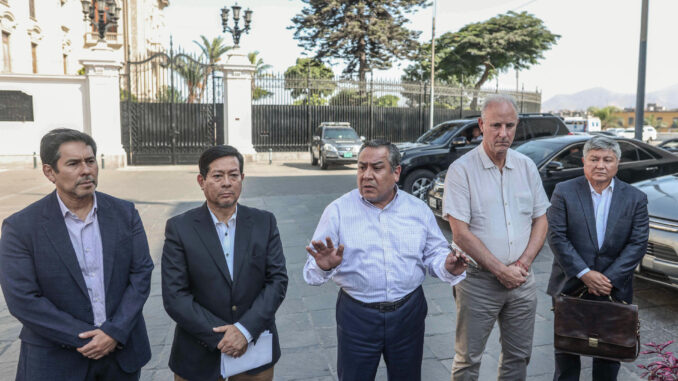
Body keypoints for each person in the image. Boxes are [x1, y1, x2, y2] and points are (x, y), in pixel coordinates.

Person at [304, 139, 468, 381]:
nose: (366, 175)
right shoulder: (338, 211)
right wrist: (323, 265)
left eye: (377, 168)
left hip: (408, 314)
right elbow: (310, 273)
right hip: (357, 316)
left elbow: (434, 253)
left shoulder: (417, 210)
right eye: (361, 167)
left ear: (396, 172)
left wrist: (447, 264)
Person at [0, 128, 154, 381]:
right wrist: (87, 338)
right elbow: (22, 299)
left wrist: (114, 332)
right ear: (50, 172)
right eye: (73, 163)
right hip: (55, 360)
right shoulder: (21, 227)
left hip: (120, 355)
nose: (86, 170)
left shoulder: (124, 213)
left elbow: (141, 274)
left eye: (90, 161)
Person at [444, 94, 550, 380]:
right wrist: (501, 270)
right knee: (468, 360)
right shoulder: (461, 170)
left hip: (521, 281)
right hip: (478, 283)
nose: (503, 133)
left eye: (510, 125)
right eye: (495, 126)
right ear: (481, 125)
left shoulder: (526, 167)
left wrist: (523, 264)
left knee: (518, 357)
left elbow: (541, 219)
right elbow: (460, 233)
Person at [162, 145, 288, 381]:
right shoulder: (180, 228)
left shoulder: (264, 222)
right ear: (202, 180)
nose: (227, 182)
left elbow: (277, 281)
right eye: (218, 176)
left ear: (242, 178)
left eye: (234, 175)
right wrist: (223, 336)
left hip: (254, 349)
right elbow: (175, 295)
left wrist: (244, 330)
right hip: (198, 350)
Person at [546, 136, 649, 381]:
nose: (600, 165)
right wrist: (585, 273)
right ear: (584, 161)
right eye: (594, 159)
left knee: (607, 361)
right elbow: (556, 237)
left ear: (617, 163)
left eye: (607, 159)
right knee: (566, 359)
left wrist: (608, 279)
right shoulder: (564, 191)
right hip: (571, 286)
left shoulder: (636, 198)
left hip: (614, 291)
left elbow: (638, 243)